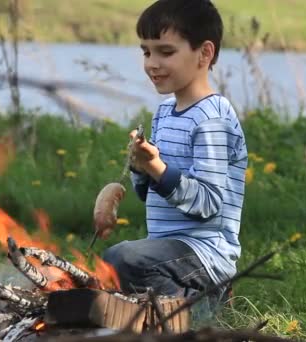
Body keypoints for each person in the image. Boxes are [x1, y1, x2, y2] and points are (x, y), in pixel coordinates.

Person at [103, 0, 248, 313]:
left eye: (165, 52)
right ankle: (169, 312)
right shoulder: (165, 111)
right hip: (171, 249)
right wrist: (142, 167)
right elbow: (150, 192)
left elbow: (208, 203)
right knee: (115, 267)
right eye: (146, 51)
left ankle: (205, 309)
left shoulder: (211, 118)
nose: (152, 63)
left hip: (205, 252)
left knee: (122, 259)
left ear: (204, 53)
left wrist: (156, 166)